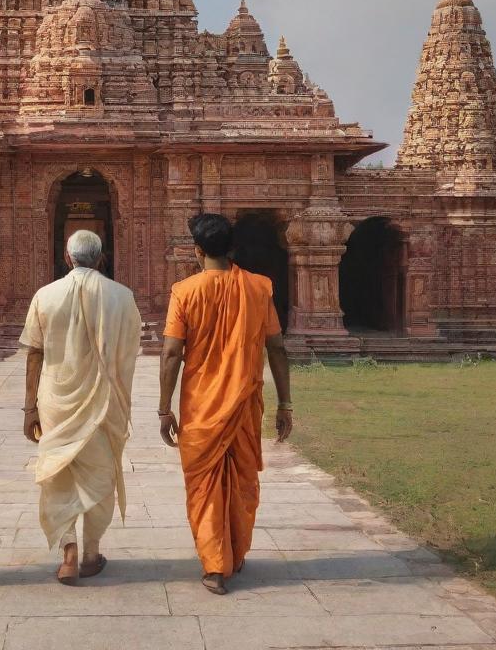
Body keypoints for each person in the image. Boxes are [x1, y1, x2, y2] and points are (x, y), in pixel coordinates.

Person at [158, 213, 293, 596]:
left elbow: (171, 353)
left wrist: (164, 408)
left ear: (196, 250)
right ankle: (233, 552)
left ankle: (215, 565)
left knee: (205, 486)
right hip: (245, 404)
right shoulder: (258, 288)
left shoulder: (184, 292)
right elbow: (277, 347)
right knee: (242, 481)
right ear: (230, 247)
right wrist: (286, 404)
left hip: (201, 408)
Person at [20, 229, 142, 585]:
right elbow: (130, 347)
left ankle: (68, 552)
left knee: (59, 475)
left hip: (56, 401)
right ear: (102, 258)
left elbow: (34, 353)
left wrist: (30, 407)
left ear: (66, 257)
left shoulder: (45, 296)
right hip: (105, 401)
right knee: (101, 474)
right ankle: (91, 554)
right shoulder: (122, 296)